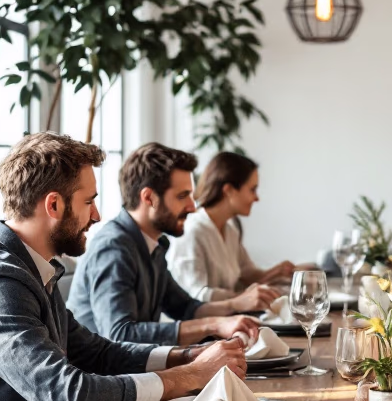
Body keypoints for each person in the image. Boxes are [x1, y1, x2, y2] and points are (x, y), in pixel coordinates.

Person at [0, 132, 249, 401]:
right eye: (89, 201)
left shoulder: (30, 267)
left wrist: (185, 357)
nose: (97, 215)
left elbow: (96, 352)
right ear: (53, 205)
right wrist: (190, 376)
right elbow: (69, 400)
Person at [69, 143, 276, 347]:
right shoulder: (114, 248)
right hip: (103, 377)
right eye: (182, 196)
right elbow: (119, 334)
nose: (192, 207)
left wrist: (235, 306)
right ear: (149, 197)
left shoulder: (153, 244)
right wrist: (213, 325)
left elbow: (186, 308)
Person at [167, 151, 298, 302]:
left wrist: (278, 271)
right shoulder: (192, 231)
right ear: (228, 190)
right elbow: (195, 295)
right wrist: (241, 299)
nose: (257, 198)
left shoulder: (230, 229)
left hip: (231, 320)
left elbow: (246, 274)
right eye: (252, 189)